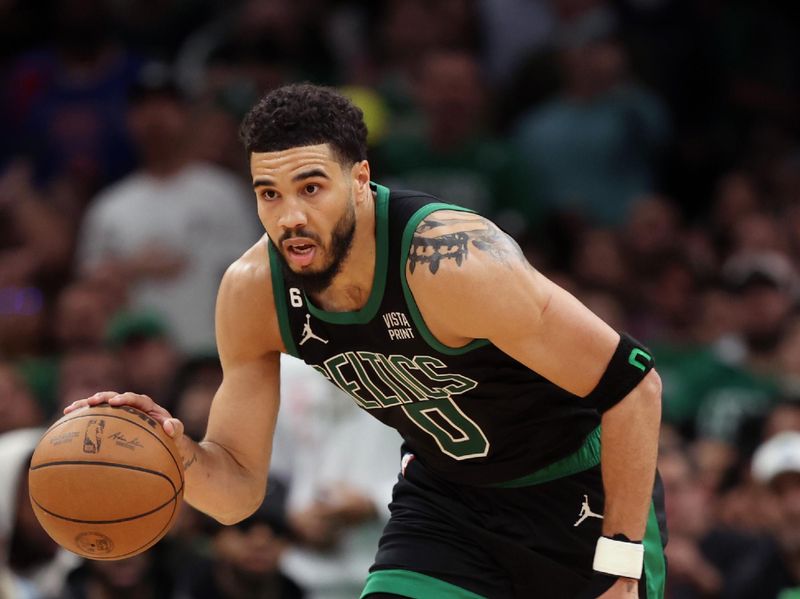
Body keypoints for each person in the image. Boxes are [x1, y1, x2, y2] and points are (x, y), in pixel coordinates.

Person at [66, 83, 666, 599]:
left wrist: (621, 563)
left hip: (578, 490)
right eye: (269, 194)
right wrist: (174, 453)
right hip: (448, 500)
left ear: (360, 180)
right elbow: (236, 495)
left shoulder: (453, 262)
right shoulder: (253, 292)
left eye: (310, 188)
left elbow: (635, 387)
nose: (289, 217)